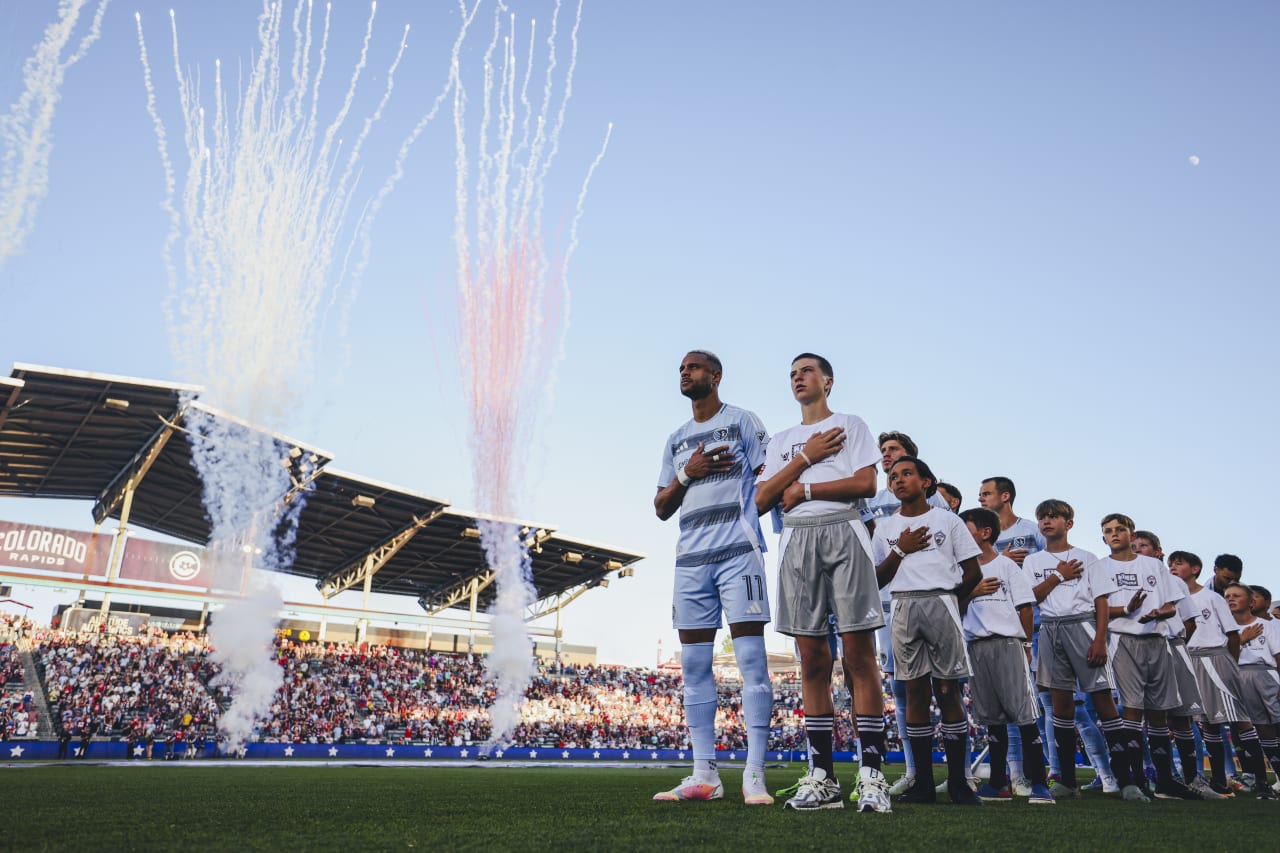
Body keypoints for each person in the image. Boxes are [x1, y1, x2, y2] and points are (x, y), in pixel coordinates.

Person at [755, 353, 890, 812]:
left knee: (859, 654)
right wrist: (806, 460)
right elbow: (761, 499)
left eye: (806, 370)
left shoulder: (851, 423)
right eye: (792, 372)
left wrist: (808, 489)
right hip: (796, 538)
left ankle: (871, 775)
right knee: (812, 658)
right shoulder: (782, 440)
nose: (797, 377)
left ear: (827, 381)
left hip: (843, 528)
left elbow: (867, 484)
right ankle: (823, 776)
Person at [653, 350, 775, 805]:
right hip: (690, 560)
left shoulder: (741, 421)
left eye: (694, 367)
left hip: (738, 554)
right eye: (681, 368)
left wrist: (752, 515)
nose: (685, 372)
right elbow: (662, 506)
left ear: (716, 376)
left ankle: (754, 774)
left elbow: (770, 477)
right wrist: (689, 472)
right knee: (694, 667)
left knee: (751, 663)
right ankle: (704, 774)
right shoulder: (676, 439)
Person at [872, 456, 984, 805]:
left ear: (926, 482)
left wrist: (950, 599)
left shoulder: (947, 521)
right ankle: (922, 783)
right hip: (903, 606)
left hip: (941, 601)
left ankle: (958, 782)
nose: (899, 480)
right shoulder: (886, 527)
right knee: (915, 693)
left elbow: (973, 573)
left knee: (949, 691)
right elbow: (877, 578)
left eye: (907, 474)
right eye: (893, 476)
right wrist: (901, 549)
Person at [858, 430, 949, 796]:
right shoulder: (873, 499)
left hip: (931, 599)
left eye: (893, 450)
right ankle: (914, 771)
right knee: (899, 686)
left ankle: (958, 773)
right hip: (888, 603)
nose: (886, 456)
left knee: (945, 687)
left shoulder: (935, 501)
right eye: (883, 451)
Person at [1019, 499, 1123, 797]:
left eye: (1054, 516)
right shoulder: (1033, 561)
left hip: (1083, 625)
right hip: (1050, 628)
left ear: (1069, 523)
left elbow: (1101, 601)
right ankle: (1067, 781)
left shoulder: (1087, 557)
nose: (1047, 521)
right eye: (1042, 517)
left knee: (1103, 701)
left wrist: (1100, 639)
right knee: (1060, 704)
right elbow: (1030, 598)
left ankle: (1126, 779)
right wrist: (1059, 575)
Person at [1096, 513, 1197, 801]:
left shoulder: (1153, 565)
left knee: (1159, 713)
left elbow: (1170, 606)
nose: (1114, 534)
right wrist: (1126, 611)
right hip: (1122, 640)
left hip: (1157, 638)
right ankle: (1137, 780)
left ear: (1131, 532)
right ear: (1103, 537)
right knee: (1131, 710)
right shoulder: (1100, 567)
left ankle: (1164, 780)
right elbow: (1098, 608)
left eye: (1120, 529)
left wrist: (1159, 612)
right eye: (1108, 530)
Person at [958, 508, 1054, 804]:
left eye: (965, 528)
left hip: (1008, 644)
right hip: (976, 647)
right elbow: (956, 608)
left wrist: (1026, 646)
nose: (959, 533)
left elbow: (1026, 607)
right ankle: (998, 782)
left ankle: (1039, 782)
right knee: (992, 718)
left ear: (985, 533)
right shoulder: (960, 571)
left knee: (1024, 714)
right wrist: (971, 593)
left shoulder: (1006, 567)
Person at [1171, 551, 1268, 798]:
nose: (1172, 567)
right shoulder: (1172, 598)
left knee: (1238, 719)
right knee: (1207, 723)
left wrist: (1230, 665)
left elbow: (1233, 635)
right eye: (1170, 563)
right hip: (1189, 659)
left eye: (1178, 563)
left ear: (1195, 569)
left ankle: (1261, 783)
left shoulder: (1212, 598)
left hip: (1215, 658)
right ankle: (1219, 781)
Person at [1225, 583, 1280, 790]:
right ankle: (1275, 777)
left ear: (1251, 601)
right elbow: (1228, 659)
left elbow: (1278, 655)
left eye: (1236, 595)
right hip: (1240, 675)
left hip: (1267, 674)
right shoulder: (1225, 628)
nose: (1230, 599)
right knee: (1263, 728)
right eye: (1228, 596)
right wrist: (1240, 640)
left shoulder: (1269, 626)